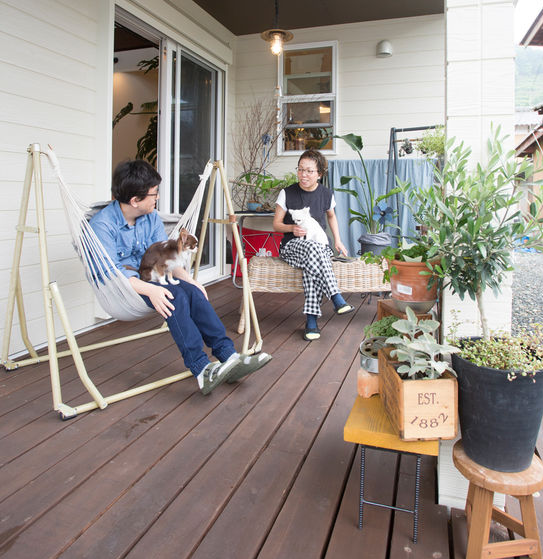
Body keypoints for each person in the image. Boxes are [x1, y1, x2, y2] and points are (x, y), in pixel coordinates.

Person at [90, 159, 270, 395]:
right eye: (154, 194)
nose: (157, 198)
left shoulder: (150, 217)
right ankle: (201, 369)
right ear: (135, 200)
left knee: (191, 291)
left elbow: (168, 258)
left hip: (153, 276)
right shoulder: (102, 225)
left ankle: (229, 356)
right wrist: (151, 289)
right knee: (175, 295)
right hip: (125, 287)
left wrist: (191, 281)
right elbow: (111, 273)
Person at [273, 149, 354, 341]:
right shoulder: (287, 193)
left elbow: (331, 216)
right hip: (292, 246)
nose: (303, 175)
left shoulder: (326, 194)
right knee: (314, 250)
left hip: (318, 246)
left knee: (314, 255)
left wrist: (338, 240)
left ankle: (312, 322)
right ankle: (335, 297)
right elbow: (276, 225)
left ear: (319, 174)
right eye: (300, 169)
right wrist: (292, 228)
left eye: (309, 171)